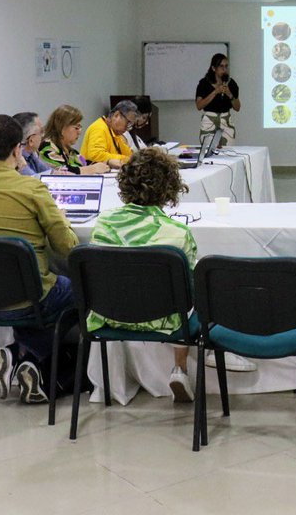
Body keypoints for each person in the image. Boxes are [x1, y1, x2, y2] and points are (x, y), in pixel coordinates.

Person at [0, 114, 80, 404]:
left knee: (27, 285)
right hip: (29, 297)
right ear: (17, 149)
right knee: (78, 288)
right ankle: (37, 360)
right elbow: (68, 248)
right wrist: (63, 221)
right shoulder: (32, 189)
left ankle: (16, 353)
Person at [90, 147, 199, 403]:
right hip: (163, 321)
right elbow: (189, 290)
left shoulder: (103, 224)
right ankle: (180, 368)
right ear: (170, 187)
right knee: (189, 296)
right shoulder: (178, 232)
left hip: (109, 315)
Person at [40, 105, 109, 175]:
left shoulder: (70, 151)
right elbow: (63, 171)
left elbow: (86, 163)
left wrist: (107, 163)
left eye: (80, 127)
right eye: (76, 127)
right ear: (61, 128)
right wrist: (93, 169)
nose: (79, 132)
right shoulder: (47, 148)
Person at [195, 53, 240, 147]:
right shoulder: (204, 83)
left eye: (226, 66)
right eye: (221, 66)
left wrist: (229, 94)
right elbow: (199, 105)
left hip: (225, 120)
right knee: (209, 150)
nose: (224, 69)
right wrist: (215, 92)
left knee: (228, 152)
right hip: (209, 120)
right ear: (213, 68)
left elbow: (237, 107)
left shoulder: (231, 83)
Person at [81, 100, 138, 168]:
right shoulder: (99, 128)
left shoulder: (115, 133)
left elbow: (129, 155)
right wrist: (124, 159)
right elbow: (95, 155)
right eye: (128, 123)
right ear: (117, 115)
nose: (128, 128)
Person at [13, 112, 53, 176]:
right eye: (41, 132)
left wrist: (57, 173)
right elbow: (32, 180)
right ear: (31, 140)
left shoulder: (32, 154)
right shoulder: (15, 158)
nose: (43, 135)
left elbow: (49, 172)